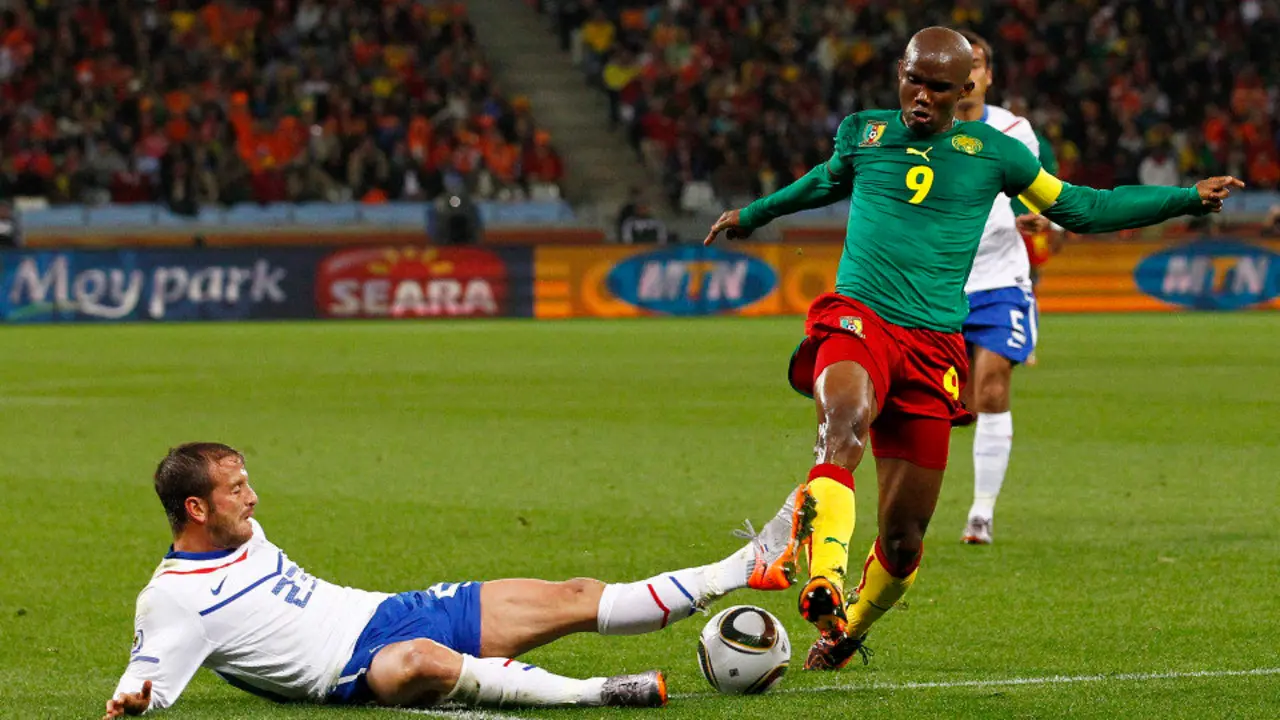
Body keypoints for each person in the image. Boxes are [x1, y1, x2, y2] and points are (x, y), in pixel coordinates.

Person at [702, 26, 1243, 671]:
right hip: (860, 317)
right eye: (912, 79)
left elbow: (1082, 206)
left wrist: (1185, 198)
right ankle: (824, 574)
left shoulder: (995, 153)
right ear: (899, 74)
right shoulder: (864, 133)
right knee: (841, 422)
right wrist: (751, 215)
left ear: (966, 91)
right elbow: (817, 184)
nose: (920, 96)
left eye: (938, 87)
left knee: (904, 540)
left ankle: (845, 630)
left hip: (933, 347)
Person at [104, 443, 804, 717]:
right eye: (235, 488)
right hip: (355, 668)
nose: (252, 498)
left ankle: (749, 565)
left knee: (572, 596)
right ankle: (604, 693)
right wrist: (133, 702)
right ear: (195, 509)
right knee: (425, 664)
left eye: (248, 481)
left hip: (386, 611)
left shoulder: (244, 533)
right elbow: (144, 685)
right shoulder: (173, 599)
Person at [951, 31, 1047, 545]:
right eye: (959, 64)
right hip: (939, 284)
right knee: (953, 406)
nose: (968, 73)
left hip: (999, 281)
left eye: (978, 63)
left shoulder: (1014, 130)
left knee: (991, 388)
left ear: (989, 75)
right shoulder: (921, 131)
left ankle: (981, 514)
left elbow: (1035, 196)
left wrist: (1036, 220)